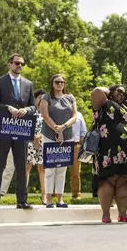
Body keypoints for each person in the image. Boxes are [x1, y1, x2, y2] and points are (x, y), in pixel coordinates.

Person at [0, 53, 36, 210]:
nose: (19, 66)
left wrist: (26, 110)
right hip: (4, 128)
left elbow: (34, 106)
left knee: (21, 165)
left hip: (22, 129)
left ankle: (22, 200)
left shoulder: (28, 84)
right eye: (16, 63)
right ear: (9, 65)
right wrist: (7, 107)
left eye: (22, 63)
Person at [90, 87, 127, 223]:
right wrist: (109, 92)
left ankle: (123, 214)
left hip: (126, 150)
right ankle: (106, 215)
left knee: (123, 180)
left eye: (123, 91)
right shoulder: (104, 104)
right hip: (106, 149)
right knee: (107, 180)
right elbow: (97, 91)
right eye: (117, 90)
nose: (120, 93)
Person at [39, 74, 78, 208]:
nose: (60, 84)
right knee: (50, 168)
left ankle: (60, 199)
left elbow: (74, 116)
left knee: (62, 168)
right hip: (49, 135)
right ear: (52, 84)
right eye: (57, 82)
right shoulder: (46, 97)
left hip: (67, 135)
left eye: (62, 82)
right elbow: (45, 115)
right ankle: (48, 199)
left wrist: (63, 127)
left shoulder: (70, 98)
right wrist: (57, 129)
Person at [26, 90, 46, 202]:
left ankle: (44, 195)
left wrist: (40, 137)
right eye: (39, 98)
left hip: (43, 142)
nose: (41, 100)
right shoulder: (30, 111)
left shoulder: (47, 112)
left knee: (42, 168)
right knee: (27, 167)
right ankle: (24, 195)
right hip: (29, 141)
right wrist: (34, 137)